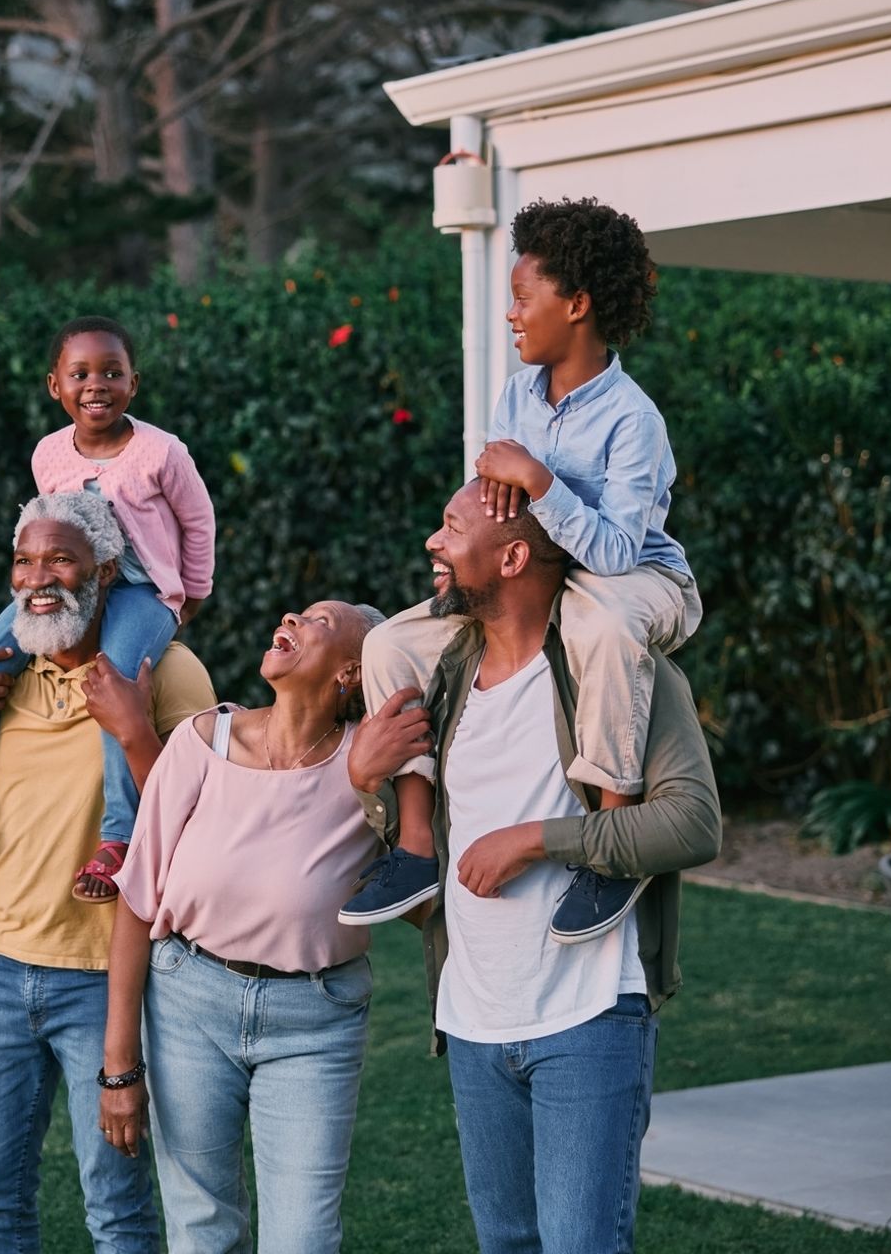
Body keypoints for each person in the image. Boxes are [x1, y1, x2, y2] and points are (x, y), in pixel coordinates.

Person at [347, 482, 722, 1254]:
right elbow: (414, 871)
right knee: (506, 1245)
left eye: (452, 528)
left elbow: (693, 822)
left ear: (514, 556)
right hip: (473, 1016)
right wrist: (366, 785)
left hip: (589, 1015)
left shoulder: (621, 673)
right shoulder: (441, 683)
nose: (432, 544)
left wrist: (535, 840)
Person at [345, 197, 702, 944]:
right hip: (543, 577)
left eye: (522, 298)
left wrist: (540, 482)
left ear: (576, 305)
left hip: (634, 580)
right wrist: (465, 557)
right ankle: (416, 842)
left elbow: (613, 553)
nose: (510, 315)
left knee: (602, 627)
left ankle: (612, 847)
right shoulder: (517, 395)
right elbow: (496, 514)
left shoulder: (634, 421)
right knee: (390, 645)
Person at [0, 491, 216, 1253]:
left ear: (107, 570)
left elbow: (208, 829)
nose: (38, 576)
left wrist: (134, 725)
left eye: (60, 558)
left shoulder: (168, 672)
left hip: (106, 980)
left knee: (115, 1211)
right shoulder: (3, 676)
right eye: (24, 559)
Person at [0, 316, 217, 904]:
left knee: (113, 685)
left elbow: (198, 523)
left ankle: (118, 836)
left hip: (145, 593)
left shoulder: (161, 451)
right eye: (81, 373)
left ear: (133, 384)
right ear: (55, 386)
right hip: (70, 583)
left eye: (112, 372)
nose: (97, 384)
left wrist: (191, 595)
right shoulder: (48, 454)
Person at [97, 600, 387, 1254]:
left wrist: (379, 785)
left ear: (350, 672)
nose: (288, 615)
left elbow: (422, 887)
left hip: (317, 1018)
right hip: (187, 1005)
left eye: (318, 619)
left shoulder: (369, 766)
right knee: (202, 1232)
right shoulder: (202, 741)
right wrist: (119, 1069)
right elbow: (138, 901)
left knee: (305, 1239)